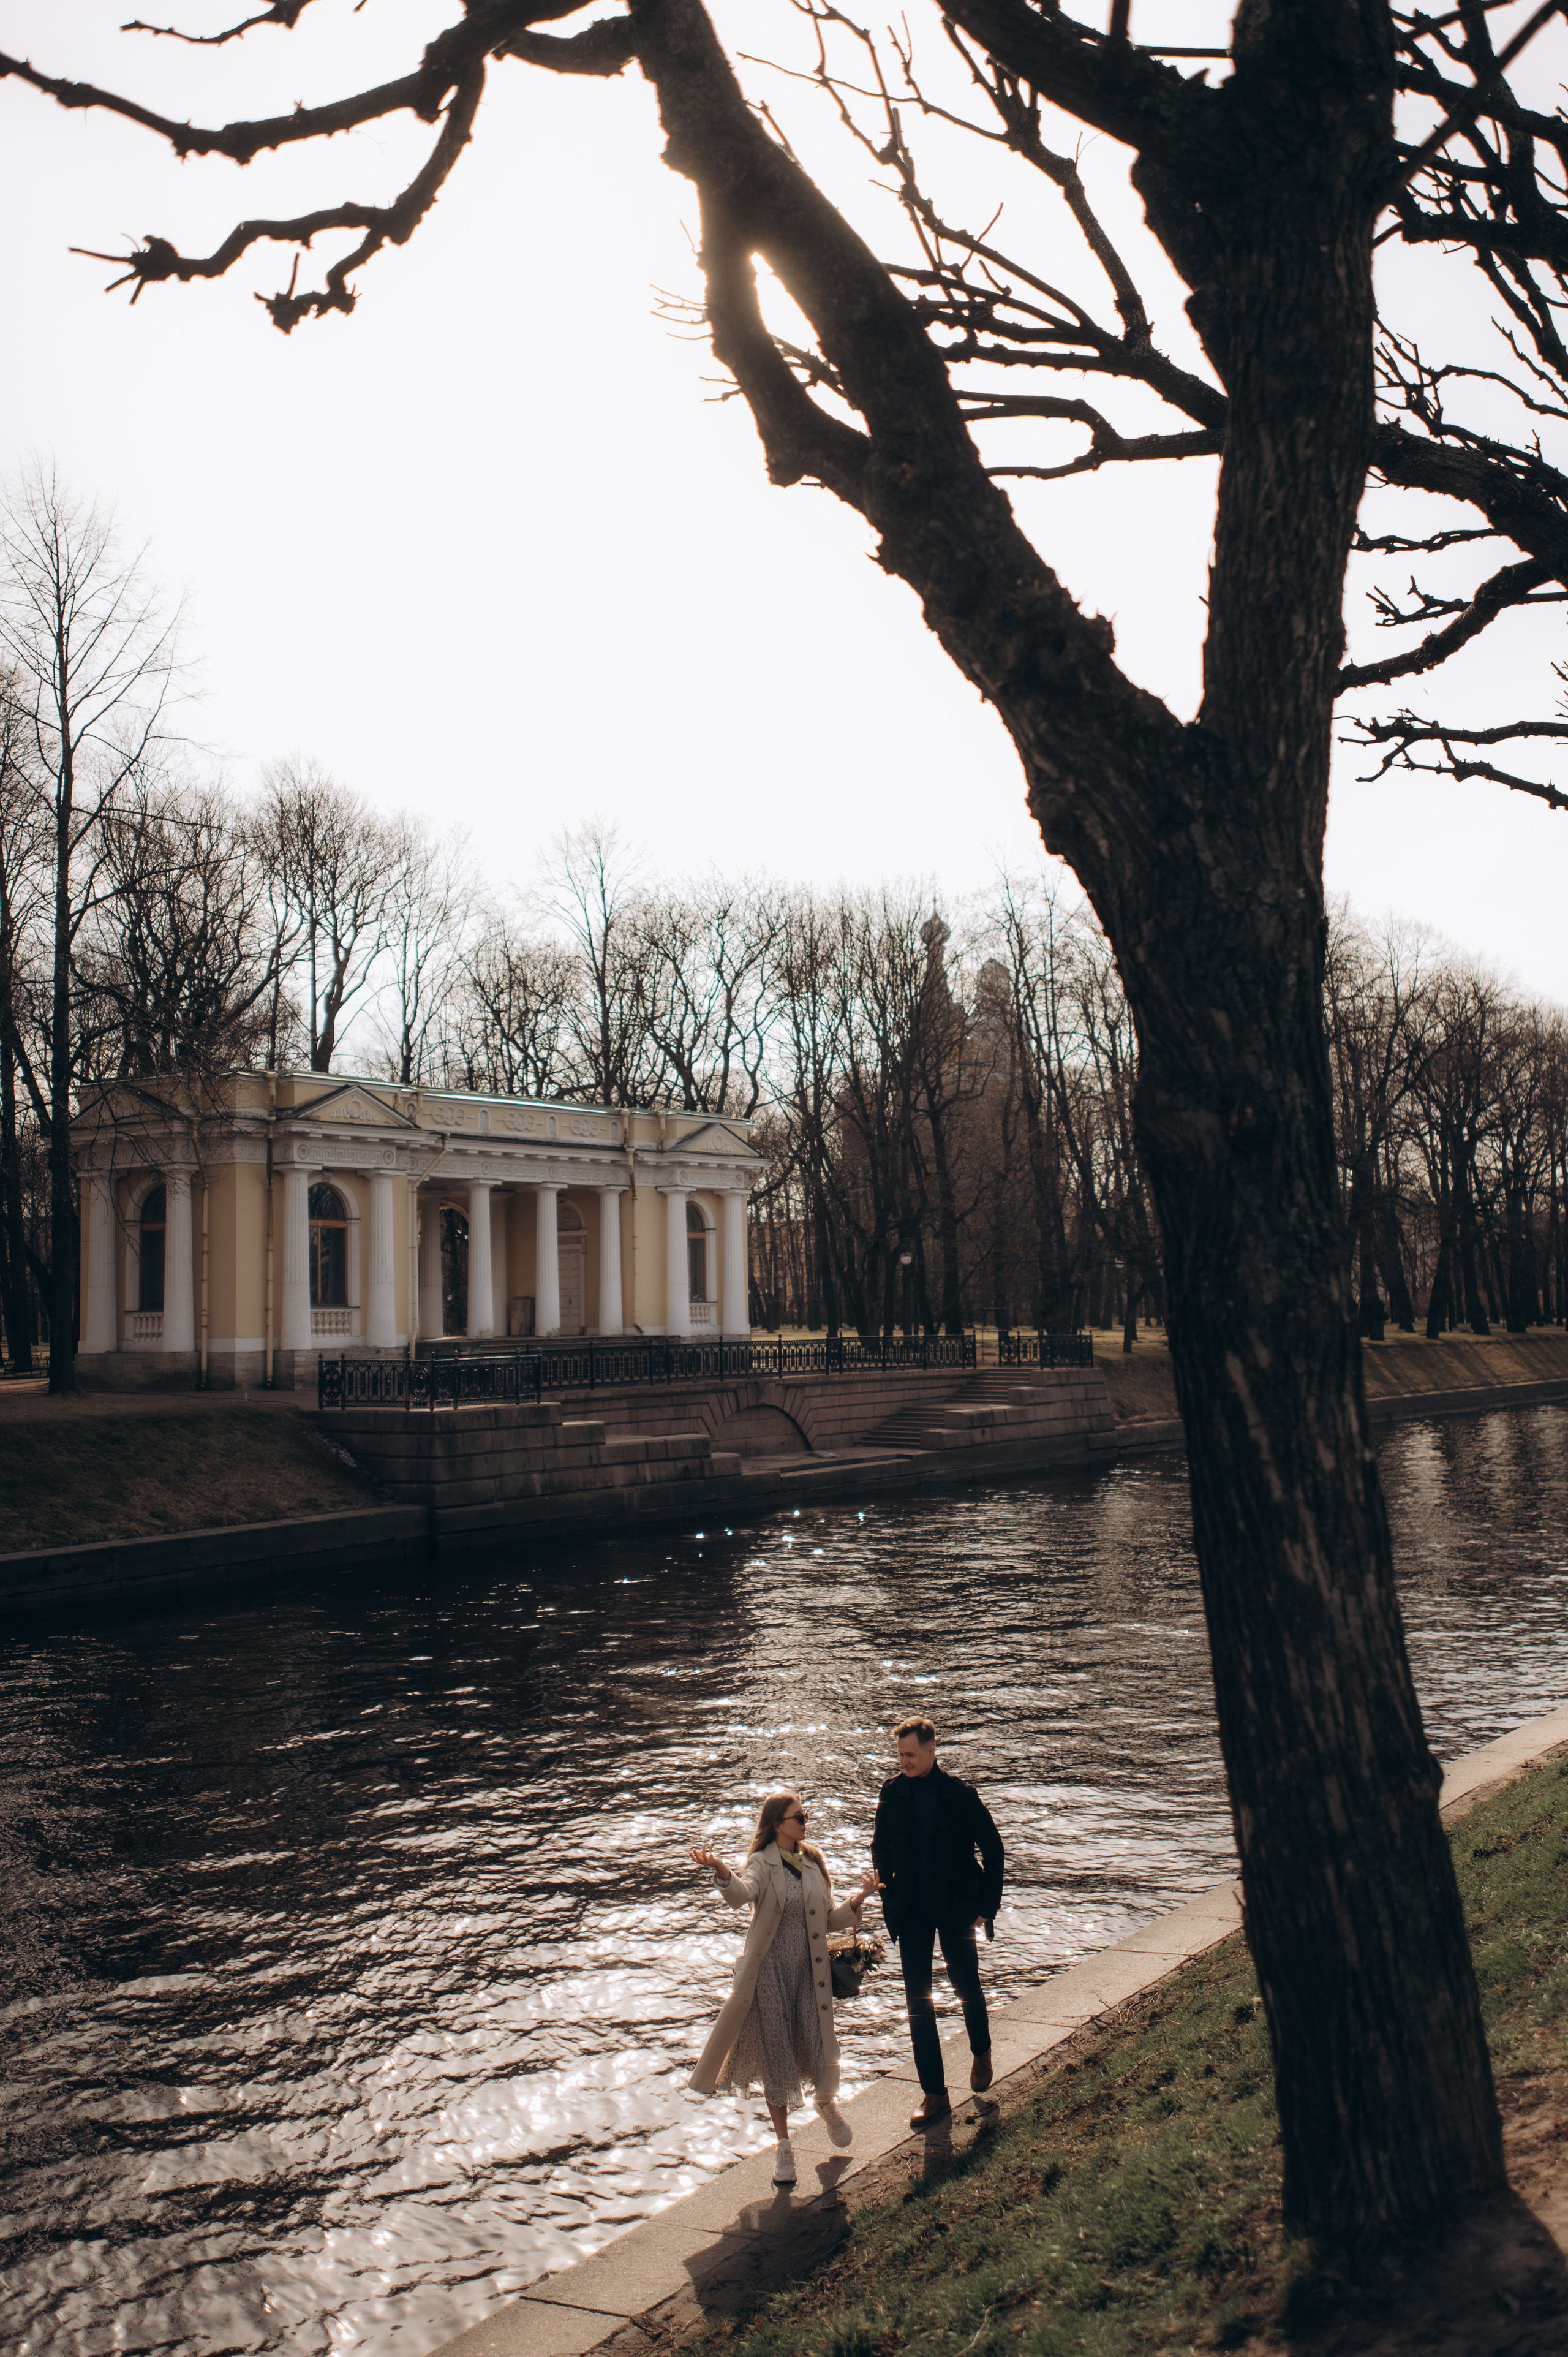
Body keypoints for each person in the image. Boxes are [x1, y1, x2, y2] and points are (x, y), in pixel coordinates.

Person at [689, 1791, 880, 2185]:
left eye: (805, 1816)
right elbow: (742, 1896)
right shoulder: (762, 1863)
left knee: (819, 2044)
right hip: (771, 1974)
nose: (805, 1822)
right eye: (799, 1817)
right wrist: (722, 1870)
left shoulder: (814, 1862)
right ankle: (784, 2147)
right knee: (776, 2056)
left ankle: (825, 2103)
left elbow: (827, 1921)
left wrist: (860, 1898)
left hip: (810, 1974)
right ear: (778, 1824)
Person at [871, 1716, 1005, 2128]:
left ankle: (980, 2050)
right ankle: (935, 2094)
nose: (904, 1761)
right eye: (901, 1755)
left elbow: (994, 1849)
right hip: (911, 1908)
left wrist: (988, 1905)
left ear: (931, 1749)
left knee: (965, 1983)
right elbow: (880, 1846)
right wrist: (888, 1891)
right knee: (917, 2000)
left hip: (957, 1905)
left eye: (911, 1754)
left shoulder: (959, 1794)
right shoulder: (893, 1792)